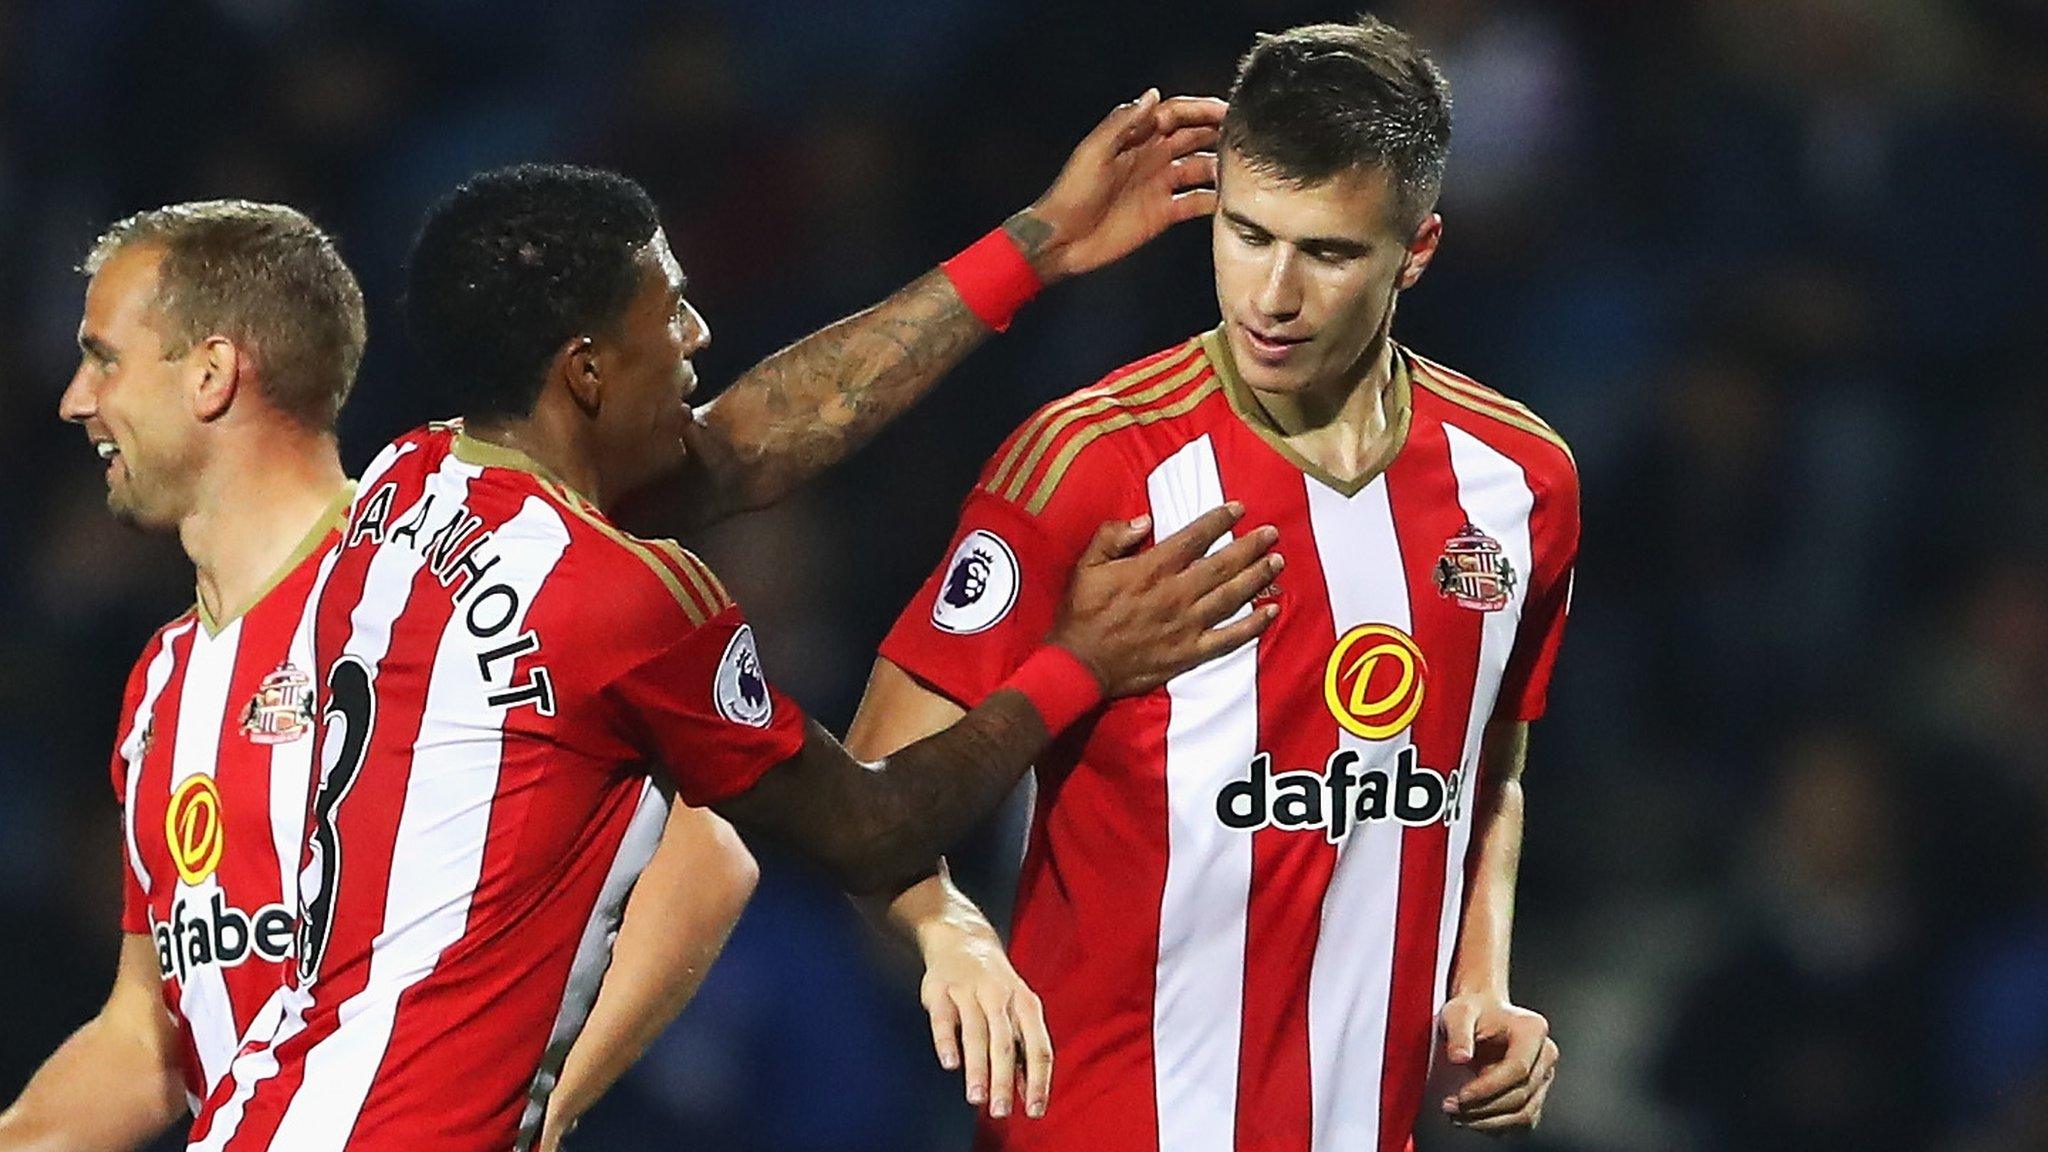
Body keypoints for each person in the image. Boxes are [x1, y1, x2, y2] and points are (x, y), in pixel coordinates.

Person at [0, 90, 1237, 1152]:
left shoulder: (410, 483)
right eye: (670, 313)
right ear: (587, 368)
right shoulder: (622, 594)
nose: (697, 337)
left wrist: (1037, 244)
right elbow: (866, 828)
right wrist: (1082, 659)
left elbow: (750, 441)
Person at [848, 16, 1576, 1150]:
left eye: (1327, 253)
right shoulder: (1093, 461)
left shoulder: (1517, 483)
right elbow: (870, 791)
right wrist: (949, 929)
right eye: (1245, 234)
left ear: (1417, 249)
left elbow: (1484, 776)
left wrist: (1479, 983)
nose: (1271, 295)